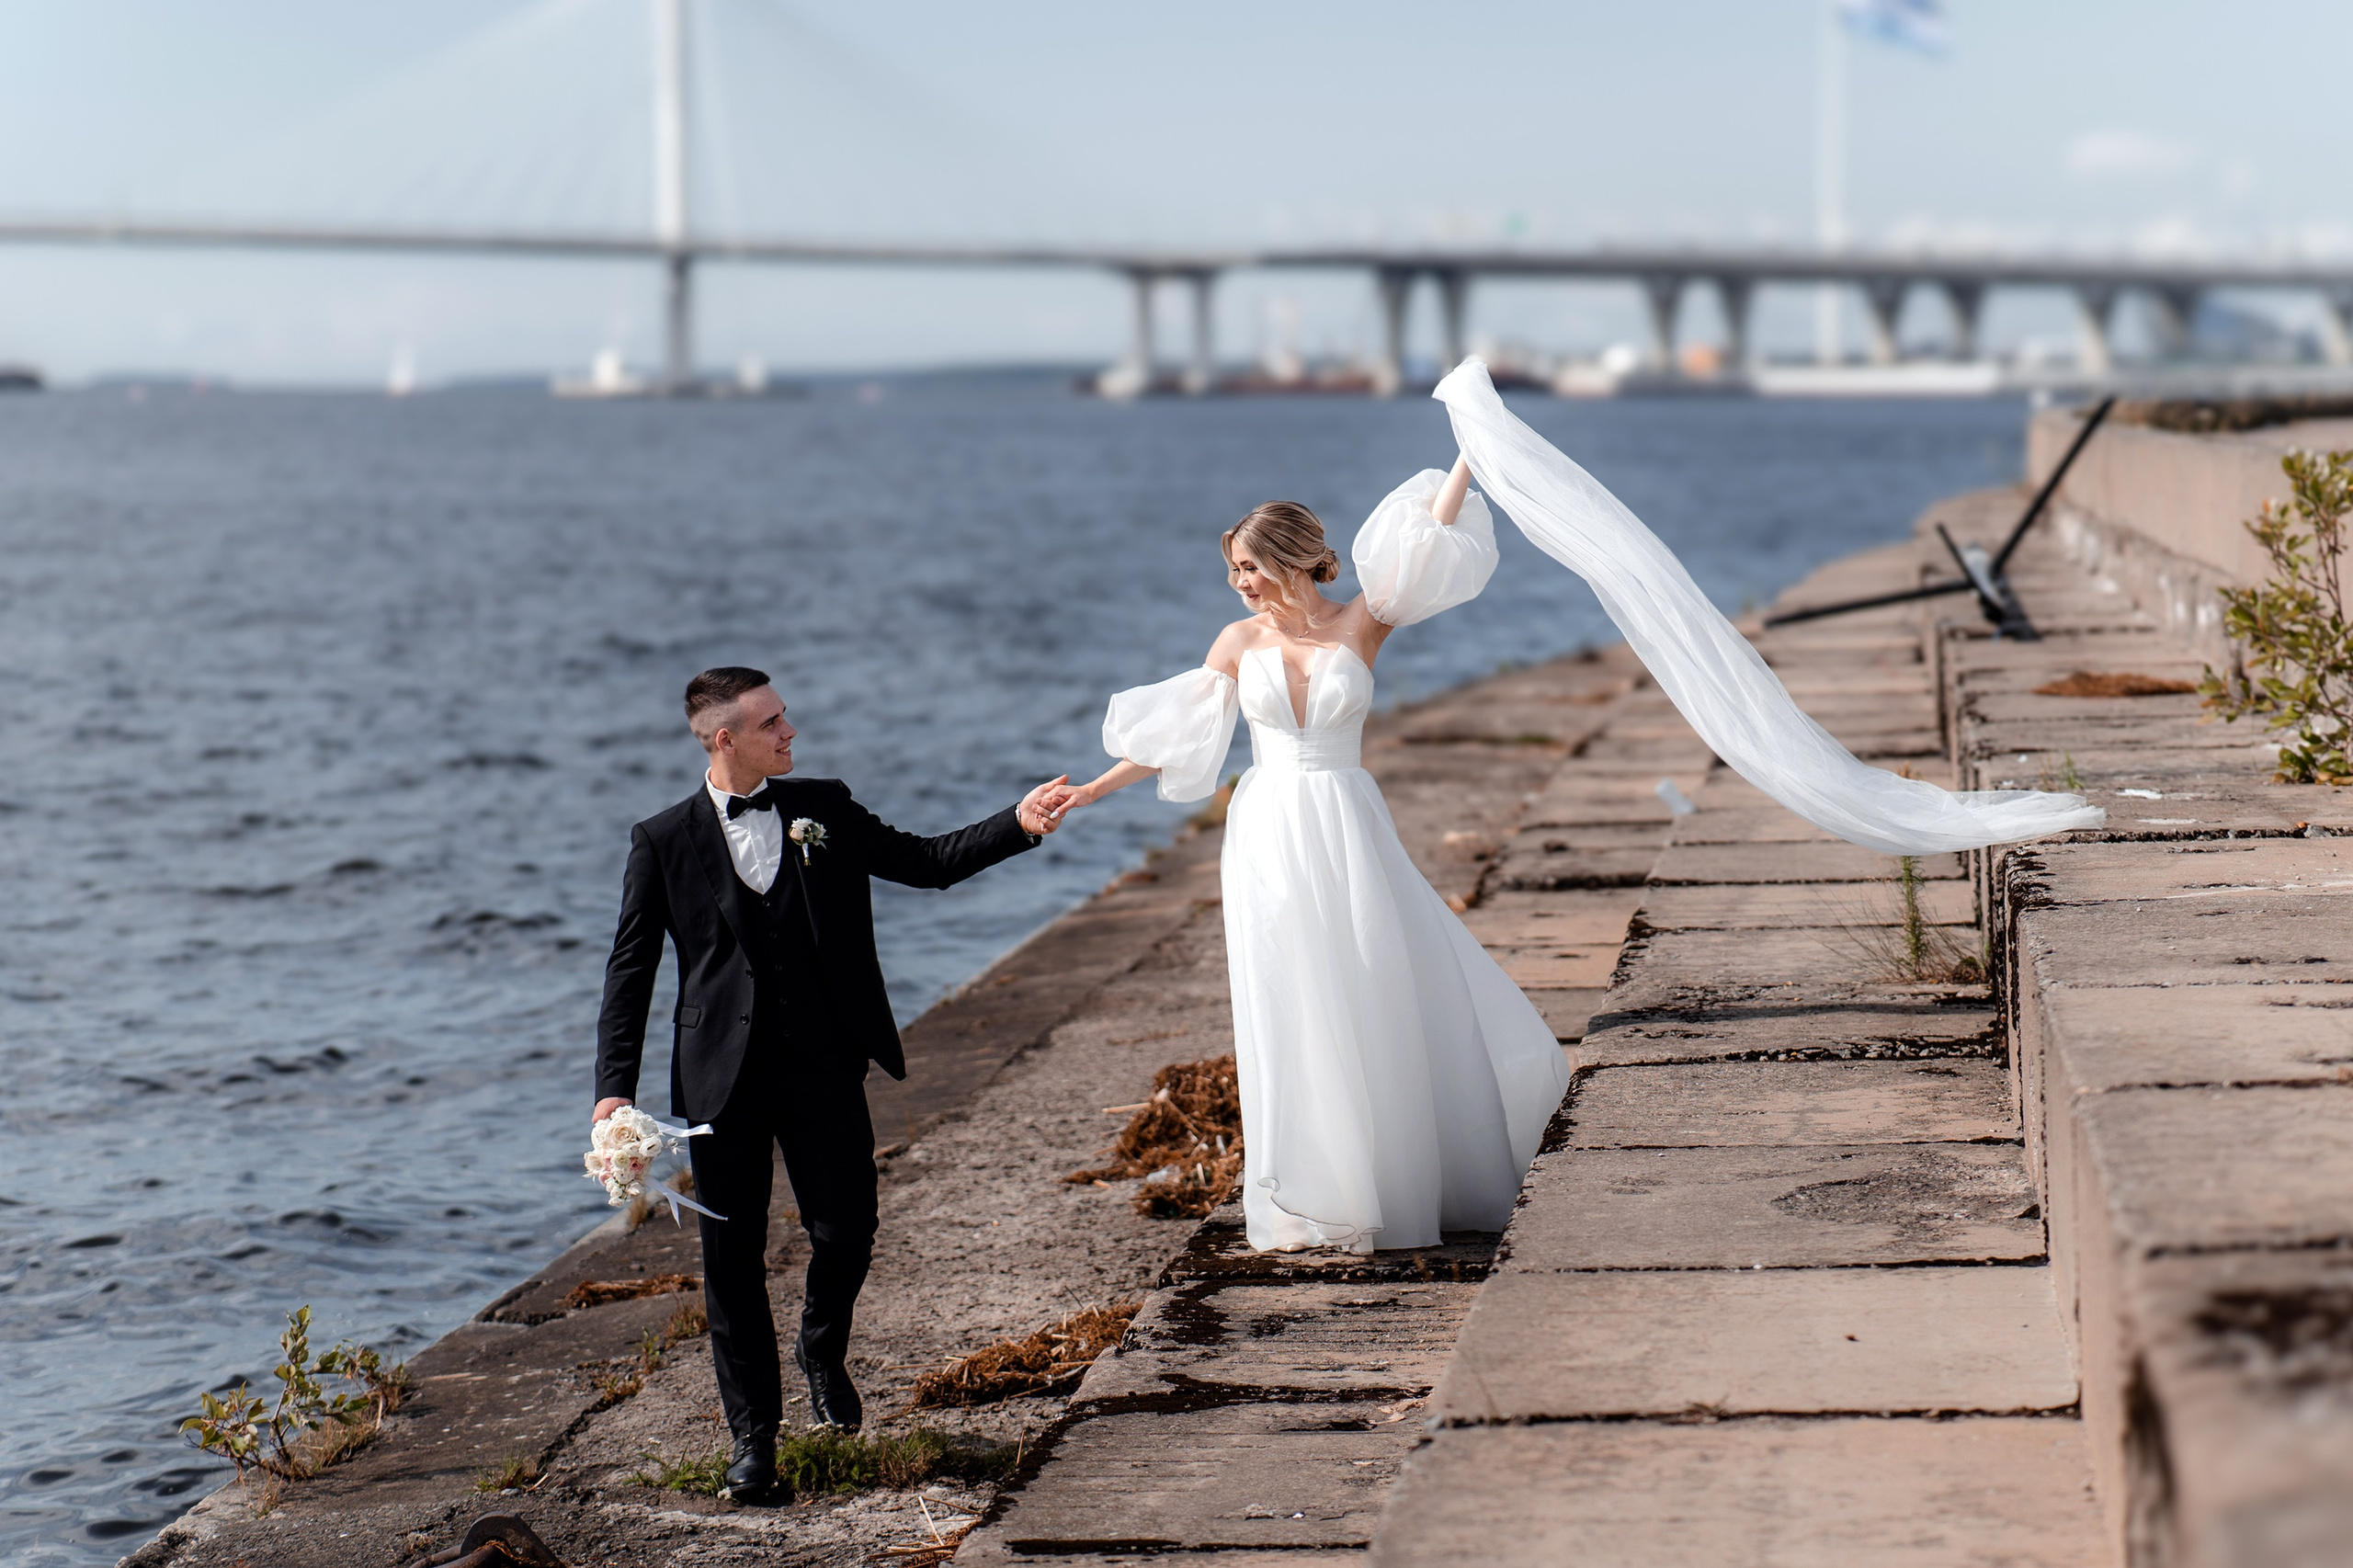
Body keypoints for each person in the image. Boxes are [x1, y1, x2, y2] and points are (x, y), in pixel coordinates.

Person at [1047, 460, 1571, 1254]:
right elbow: (1178, 734)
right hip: (1267, 830)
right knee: (1290, 991)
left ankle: (1398, 1183)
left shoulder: (1365, 621)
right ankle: (1319, 1190)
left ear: (1292, 559)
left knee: (1373, 976)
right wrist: (1092, 789)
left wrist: (1468, 451)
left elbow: (1428, 538)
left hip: (1345, 815)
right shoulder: (1236, 641)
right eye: (1232, 570)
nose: (1240, 583)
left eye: (1250, 567)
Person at [594, 666, 1066, 1501]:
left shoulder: (825, 808)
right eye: (773, 723)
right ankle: (754, 1438)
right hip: (719, 1087)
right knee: (731, 1264)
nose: (792, 731)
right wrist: (611, 1092)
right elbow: (630, 973)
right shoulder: (662, 840)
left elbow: (926, 863)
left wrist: (1018, 823)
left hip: (823, 1062)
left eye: (787, 716)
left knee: (847, 1230)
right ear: (724, 739)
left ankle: (821, 1346)